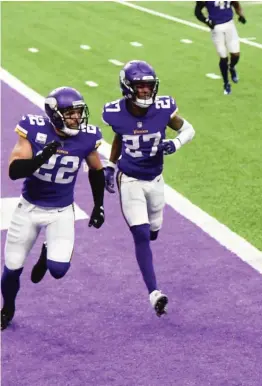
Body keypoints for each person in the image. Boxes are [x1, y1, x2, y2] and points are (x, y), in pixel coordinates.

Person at [2, 86, 105, 330]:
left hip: (60, 211)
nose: (77, 118)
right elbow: (14, 171)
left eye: (79, 113)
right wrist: (40, 158)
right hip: (28, 208)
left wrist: (99, 205)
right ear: (55, 114)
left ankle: (47, 251)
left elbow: (96, 170)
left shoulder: (87, 137)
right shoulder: (34, 129)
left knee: (58, 270)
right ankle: (7, 308)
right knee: (12, 267)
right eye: (70, 113)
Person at [103, 60, 196, 317]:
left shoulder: (164, 108)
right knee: (142, 234)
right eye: (140, 86)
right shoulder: (115, 112)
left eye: (148, 86)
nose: (145, 91)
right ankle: (154, 292)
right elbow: (120, 136)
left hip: (156, 180)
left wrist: (175, 144)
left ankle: (148, 248)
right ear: (127, 87)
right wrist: (111, 165)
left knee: (153, 231)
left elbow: (189, 129)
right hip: (130, 179)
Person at [195, 1, 246, 95]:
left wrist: (240, 15)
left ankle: (232, 67)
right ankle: (226, 83)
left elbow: (235, 3)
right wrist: (207, 22)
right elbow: (197, 12)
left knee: (236, 54)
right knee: (223, 56)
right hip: (216, 28)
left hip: (230, 25)